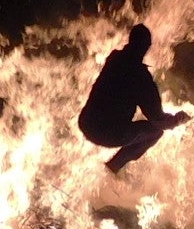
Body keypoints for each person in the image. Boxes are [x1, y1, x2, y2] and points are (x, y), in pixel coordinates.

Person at [78, 24, 188, 172]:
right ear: (147, 47)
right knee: (155, 132)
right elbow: (157, 119)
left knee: (142, 127)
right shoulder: (140, 77)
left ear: (130, 40)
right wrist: (176, 120)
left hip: (86, 123)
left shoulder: (114, 59)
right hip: (106, 133)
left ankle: (112, 168)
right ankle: (113, 167)